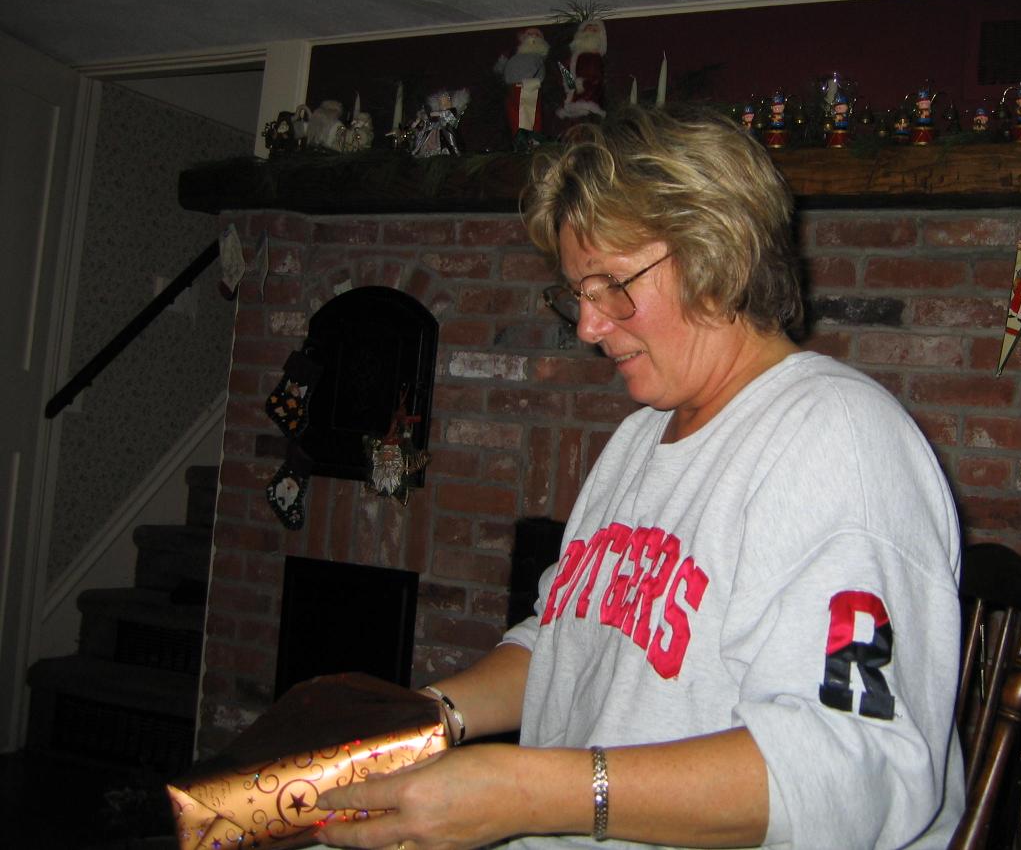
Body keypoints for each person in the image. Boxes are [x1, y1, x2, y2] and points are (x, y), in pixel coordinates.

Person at [319, 104, 964, 849]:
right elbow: (562, 641)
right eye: (577, 294)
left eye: (613, 284)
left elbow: (852, 769)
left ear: (717, 252)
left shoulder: (839, 441)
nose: (589, 327)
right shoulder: (639, 439)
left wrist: (528, 794)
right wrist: (429, 717)